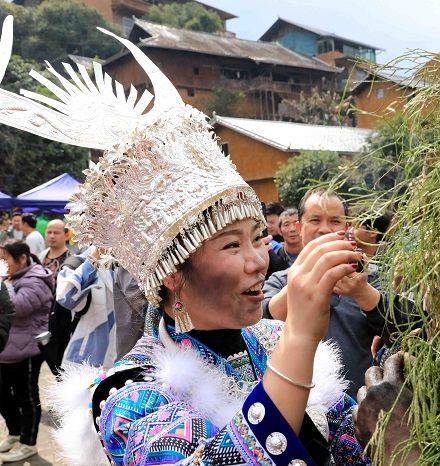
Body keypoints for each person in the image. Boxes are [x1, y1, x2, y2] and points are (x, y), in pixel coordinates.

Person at [0, 18, 377, 464]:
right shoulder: (128, 393)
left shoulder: (273, 338)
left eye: (258, 238)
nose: (259, 261)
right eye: (232, 246)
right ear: (174, 275)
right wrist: (299, 341)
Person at [264, 188, 389, 395]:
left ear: (347, 227)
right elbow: (261, 322)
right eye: (314, 220)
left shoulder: (368, 277)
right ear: (299, 227)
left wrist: (363, 293)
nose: (324, 229)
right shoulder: (280, 280)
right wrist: (304, 278)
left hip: (359, 411)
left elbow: (402, 327)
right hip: (295, 406)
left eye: (335, 221)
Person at [0, 242, 53, 462]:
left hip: (27, 349)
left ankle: (28, 442)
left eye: (5, 259)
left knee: (27, 397)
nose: (2, 264)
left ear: (22, 258)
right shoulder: (10, 278)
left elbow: (17, 307)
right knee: (2, 395)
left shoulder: (36, 280)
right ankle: (14, 432)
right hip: (6, 349)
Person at [266, 208, 303, 278]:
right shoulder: (273, 258)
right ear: (279, 231)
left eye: (296, 223)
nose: (292, 229)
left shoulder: (313, 253)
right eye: (286, 224)